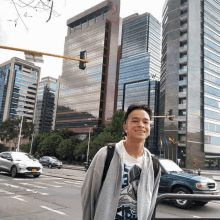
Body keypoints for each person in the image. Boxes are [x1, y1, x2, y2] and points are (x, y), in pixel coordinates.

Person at [81, 103, 161, 220]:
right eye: (135, 121)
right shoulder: (106, 154)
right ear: (125, 127)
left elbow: (151, 204)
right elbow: (87, 197)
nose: (141, 125)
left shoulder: (154, 165)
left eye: (145, 122)